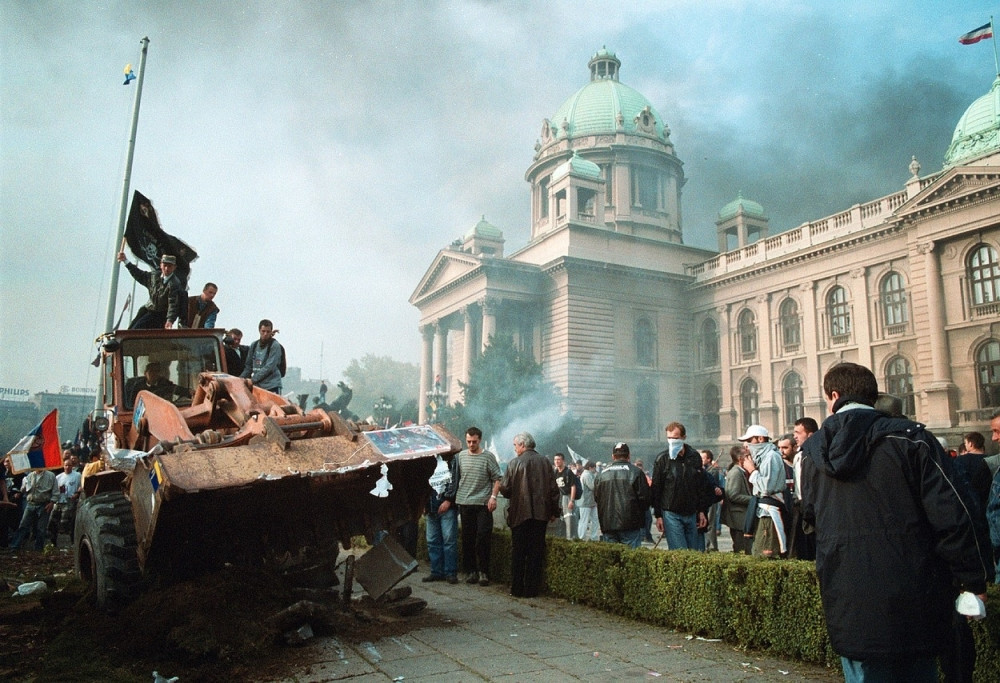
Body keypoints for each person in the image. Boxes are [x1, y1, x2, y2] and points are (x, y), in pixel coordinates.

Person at [801, 362, 991, 681]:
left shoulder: (812, 453)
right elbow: (956, 514)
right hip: (916, 596)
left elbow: (809, 517)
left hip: (849, 597)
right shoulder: (912, 440)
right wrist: (974, 580)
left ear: (833, 396)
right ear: (873, 397)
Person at [498, 432, 559, 598]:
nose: (515, 449)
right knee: (536, 552)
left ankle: (516, 588)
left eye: (515, 445)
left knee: (518, 552)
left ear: (523, 445)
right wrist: (554, 511)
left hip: (519, 513)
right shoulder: (546, 462)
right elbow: (554, 490)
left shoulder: (514, 463)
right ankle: (532, 589)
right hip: (540, 514)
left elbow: (506, 489)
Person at [651, 422, 718, 550]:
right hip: (671, 512)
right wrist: (658, 515)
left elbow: (700, 486)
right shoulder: (662, 459)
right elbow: (656, 488)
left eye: (675, 438)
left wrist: (702, 511)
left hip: (691, 512)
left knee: (694, 551)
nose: (672, 441)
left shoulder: (694, 457)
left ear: (683, 437)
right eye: (669, 438)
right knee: (679, 551)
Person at [455, 427, 501, 586]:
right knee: (467, 538)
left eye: (474, 441)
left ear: (480, 440)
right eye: (468, 441)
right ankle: (470, 571)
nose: (471, 444)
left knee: (483, 537)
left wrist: (493, 497)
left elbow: (497, 478)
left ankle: (483, 572)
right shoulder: (460, 456)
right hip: (465, 502)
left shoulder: (488, 456)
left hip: (483, 503)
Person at [738, 425, 788, 558]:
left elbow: (766, 487)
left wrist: (752, 471)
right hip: (762, 511)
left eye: (750, 440)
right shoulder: (764, 457)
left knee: (765, 552)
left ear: (760, 439)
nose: (747, 445)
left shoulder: (771, 456)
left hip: (769, 512)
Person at [593, 442, 650, 548]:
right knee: (631, 560)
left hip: (608, 524)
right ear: (629, 456)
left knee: (612, 561)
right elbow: (645, 499)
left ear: (613, 456)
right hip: (630, 524)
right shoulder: (636, 472)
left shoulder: (601, 475)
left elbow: (597, 498)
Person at [118, 251, 184, 329]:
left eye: (169, 266)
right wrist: (125, 261)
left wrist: (170, 320)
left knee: (137, 329)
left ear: (174, 267)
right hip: (148, 309)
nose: (166, 269)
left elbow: (173, 304)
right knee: (131, 329)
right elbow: (139, 275)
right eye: (165, 265)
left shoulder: (174, 284)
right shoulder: (154, 276)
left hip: (160, 314)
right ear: (161, 265)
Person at [422, 455, 459, 584]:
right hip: (431, 506)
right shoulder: (426, 460)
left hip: (447, 506)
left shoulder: (452, 459)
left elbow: (454, 480)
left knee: (449, 540)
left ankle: (450, 572)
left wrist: (449, 499)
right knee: (432, 541)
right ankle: (436, 571)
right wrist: (423, 504)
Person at [10, 466, 58, 551]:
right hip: (31, 503)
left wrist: (52, 503)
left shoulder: (51, 476)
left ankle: (38, 549)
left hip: (44, 504)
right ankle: (15, 546)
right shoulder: (29, 476)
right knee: (23, 525)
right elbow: (24, 490)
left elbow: (56, 492)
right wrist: (23, 485)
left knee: (41, 528)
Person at [791, 416, 818, 560]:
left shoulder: (814, 455)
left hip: (811, 507)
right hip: (802, 506)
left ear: (810, 434)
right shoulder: (799, 455)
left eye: (798, 432)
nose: (794, 436)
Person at [722, 445, 752, 554]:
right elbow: (733, 495)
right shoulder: (736, 473)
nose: (750, 458)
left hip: (740, 518)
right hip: (738, 519)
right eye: (747, 456)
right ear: (740, 459)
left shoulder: (740, 472)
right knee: (741, 548)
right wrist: (753, 499)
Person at [47, 452, 81, 547]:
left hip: (70, 501)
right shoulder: (58, 477)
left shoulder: (77, 475)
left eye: (69, 465)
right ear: (63, 466)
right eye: (66, 465)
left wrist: (77, 494)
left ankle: (70, 543)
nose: (67, 467)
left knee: (65, 522)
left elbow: (81, 487)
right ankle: (53, 542)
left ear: (72, 466)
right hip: (59, 501)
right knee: (52, 522)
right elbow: (53, 489)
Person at [241, 319, 284, 394]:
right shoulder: (254, 345)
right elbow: (248, 366)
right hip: (258, 386)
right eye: (263, 331)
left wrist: (253, 380)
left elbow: (269, 367)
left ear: (271, 332)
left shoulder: (274, 345)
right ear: (259, 331)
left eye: (268, 332)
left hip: (271, 385)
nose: (265, 334)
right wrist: (240, 380)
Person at [124, 362, 189, 409]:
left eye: (156, 371)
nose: (154, 374)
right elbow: (132, 404)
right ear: (145, 373)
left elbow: (175, 388)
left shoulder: (164, 383)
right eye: (151, 371)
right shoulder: (137, 386)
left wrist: (189, 392)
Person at [700, 449, 725, 551]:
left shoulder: (712, 471)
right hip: (706, 500)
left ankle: (712, 546)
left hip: (711, 501)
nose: (701, 460)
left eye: (703, 458)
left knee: (710, 523)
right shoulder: (706, 469)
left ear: (709, 459)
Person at [552, 453, 577, 539]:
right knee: (560, 519)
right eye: (555, 460)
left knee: (569, 519)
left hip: (567, 497)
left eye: (558, 459)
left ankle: (570, 538)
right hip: (558, 498)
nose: (556, 461)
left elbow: (573, 486)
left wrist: (572, 500)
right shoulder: (555, 472)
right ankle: (561, 537)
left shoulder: (568, 472)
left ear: (563, 461)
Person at [576, 461, 600, 541]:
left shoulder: (589, 474)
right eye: (594, 468)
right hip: (585, 501)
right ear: (590, 468)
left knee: (595, 520)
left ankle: (594, 537)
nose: (595, 470)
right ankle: (581, 537)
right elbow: (592, 487)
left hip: (591, 501)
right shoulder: (587, 475)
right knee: (584, 520)